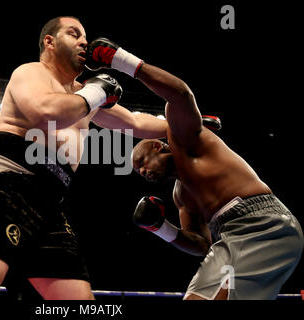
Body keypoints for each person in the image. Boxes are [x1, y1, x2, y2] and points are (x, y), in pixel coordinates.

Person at [0, 16, 168, 300]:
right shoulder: (32, 73)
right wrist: (97, 91)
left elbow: (136, 122)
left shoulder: (85, 97)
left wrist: (191, 126)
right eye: (74, 34)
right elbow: (45, 110)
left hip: (50, 204)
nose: (84, 41)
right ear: (49, 41)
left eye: (85, 36)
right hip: (6, 182)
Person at [82, 36, 304, 299]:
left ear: (157, 146)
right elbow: (200, 244)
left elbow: (179, 94)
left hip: (264, 225)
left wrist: (119, 59)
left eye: (141, 162)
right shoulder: (181, 195)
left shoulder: (186, 140)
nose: (141, 171)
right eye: (137, 171)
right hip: (227, 238)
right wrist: (160, 228)